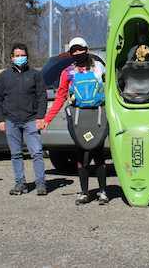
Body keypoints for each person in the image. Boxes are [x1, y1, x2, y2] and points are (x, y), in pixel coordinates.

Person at [45, 37, 109, 205]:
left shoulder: (99, 67)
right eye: (74, 50)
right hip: (78, 117)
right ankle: (84, 192)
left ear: (86, 49)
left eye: (80, 49)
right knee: (82, 155)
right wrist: (47, 119)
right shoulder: (67, 72)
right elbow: (60, 97)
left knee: (99, 154)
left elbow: (111, 89)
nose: (78, 53)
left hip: (98, 115)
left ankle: (102, 191)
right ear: (71, 53)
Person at [0, 43, 48, 196]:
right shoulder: (5, 76)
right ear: (11, 58)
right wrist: (0, 119)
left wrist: (40, 117)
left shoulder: (35, 75)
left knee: (37, 153)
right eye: (17, 56)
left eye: (22, 55)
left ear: (27, 57)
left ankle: (40, 184)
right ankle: (20, 183)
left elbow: (42, 97)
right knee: (16, 154)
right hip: (11, 120)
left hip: (31, 119)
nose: (20, 58)